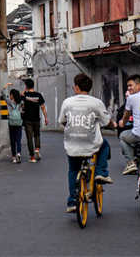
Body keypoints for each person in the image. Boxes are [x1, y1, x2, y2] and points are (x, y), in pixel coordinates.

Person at [59, 73, 113, 213]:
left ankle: (72, 201)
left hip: (72, 145)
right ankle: (101, 172)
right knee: (104, 145)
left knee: (73, 170)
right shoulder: (96, 103)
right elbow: (106, 121)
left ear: (76, 87)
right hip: (90, 144)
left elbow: (62, 121)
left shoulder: (67, 102)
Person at [118, 74, 140, 175]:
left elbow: (126, 116)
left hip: (138, 135)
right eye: (128, 86)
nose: (129, 88)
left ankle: (130, 163)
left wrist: (122, 123)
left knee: (123, 136)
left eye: (130, 85)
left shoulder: (131, 98)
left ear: (139, 85)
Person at [22, 78, 49, 162]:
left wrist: (25, 91)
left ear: (26, 86)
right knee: (37, 135)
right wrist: (46, 118)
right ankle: (37, 149)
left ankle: (32, 157)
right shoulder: (38, 95)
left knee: (29, 138)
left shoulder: (24, 95)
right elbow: (43, 107)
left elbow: (21, 99)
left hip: (27, 120)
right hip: (36, 119)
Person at [6, 88, 24, 163]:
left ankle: (13, 157)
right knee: (18, 139)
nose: (10, 96)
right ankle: (18, 154)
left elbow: (3, 94)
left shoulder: (10, 102)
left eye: (10, 94)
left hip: (11, 123)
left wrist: (6, 86)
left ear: (12, 95)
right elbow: (23, 109)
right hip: (19, 123)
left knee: (13, 140)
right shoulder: (21, 102)